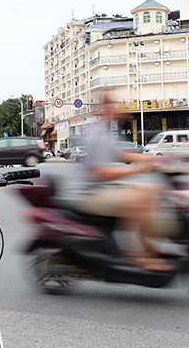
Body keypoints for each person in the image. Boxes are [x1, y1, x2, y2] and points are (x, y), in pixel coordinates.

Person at [67, 92, 172, 271]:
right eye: (109, 104)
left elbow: (124, 154)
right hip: (93, 194)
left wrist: (156, 160)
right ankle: (138, 254)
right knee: (137, 198)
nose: (113, 108)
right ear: (103, 109)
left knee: (151, 190)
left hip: (106, 189)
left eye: (113, 104)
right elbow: (102, 173)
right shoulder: (98, 134)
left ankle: (149, 247)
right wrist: (137, 169)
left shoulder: (107, 134)